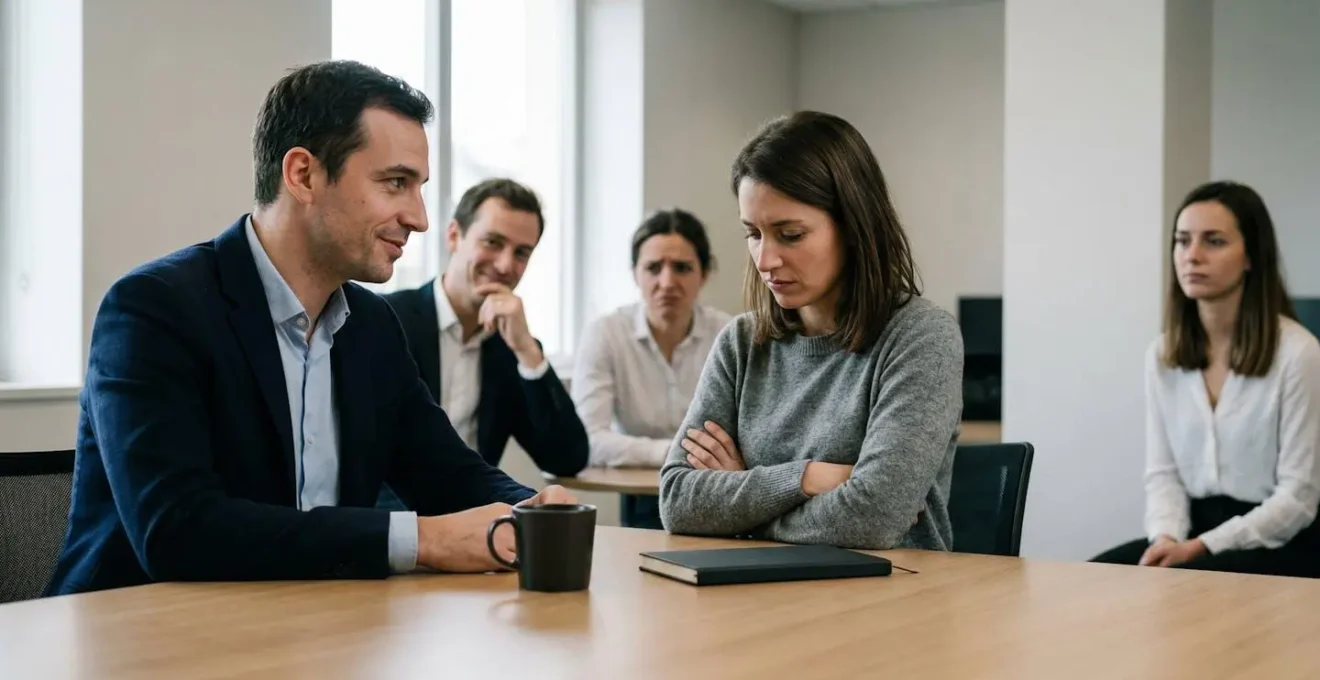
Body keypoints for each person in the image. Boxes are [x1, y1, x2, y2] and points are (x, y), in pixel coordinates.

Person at [45, 60, 576, 596]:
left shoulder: (372, 326)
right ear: (303, 175)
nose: (418, 218)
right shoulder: (154, 309)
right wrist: (424, 540)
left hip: (304, 621)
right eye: (396, 183)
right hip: (134, 627)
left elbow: (446, 472)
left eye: (419, 188)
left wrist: (532, 509)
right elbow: (176, 531)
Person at [657, 111, 964, 550]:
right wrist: (807, 478)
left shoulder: (921, 337)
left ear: (854, 227)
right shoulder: (741, 344)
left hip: (894, 588)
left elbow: (874, 518)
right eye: (753, 234)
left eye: (790, 234)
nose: (765, 260)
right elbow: (678, 500)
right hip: (759, 586)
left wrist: (744, 512)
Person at [1091, 181, 1320, 577]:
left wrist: (1201, 547)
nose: (1192, 255)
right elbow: (1163, 476)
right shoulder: (1163, 354)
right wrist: (1166, 538)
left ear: (1251, 256)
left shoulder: (1299, 354)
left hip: (1280, 542)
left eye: (1214, 241)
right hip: (1191, 534)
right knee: (1092, 578)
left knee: (1191, 586)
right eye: (1183, 241)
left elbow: (1298, 498)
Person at [381, 179, 588, 481]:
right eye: (492, 242)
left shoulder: (511, 346)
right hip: (394, 509)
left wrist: (527, 351)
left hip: (478, 507)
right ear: (454, 236)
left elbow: (567, 458)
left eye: (521, 253)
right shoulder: (387, 319)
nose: (505, 266)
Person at [571, 209, 732, 528]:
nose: (667, 282)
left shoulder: (728, 335)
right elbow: (589, 439)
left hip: (715, 492)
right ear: (635, 274)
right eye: (653, 268)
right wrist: (675, 452)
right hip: (640, 497)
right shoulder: (606, 334)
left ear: (704, 274)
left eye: (682, 268)